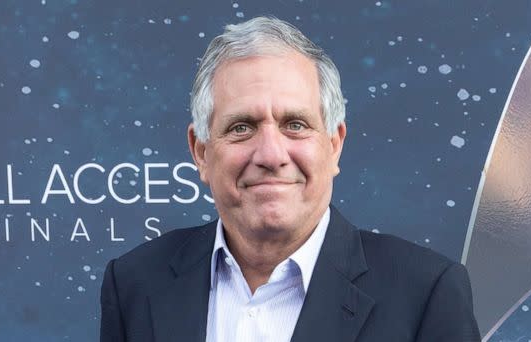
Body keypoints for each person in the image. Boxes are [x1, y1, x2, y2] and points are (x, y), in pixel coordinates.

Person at [100, 16, 481, 342]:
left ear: (334, 145)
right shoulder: (136, 284)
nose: (270, 155)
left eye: (295, 125)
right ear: (201, 151)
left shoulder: (425, 293)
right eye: (242, 127)